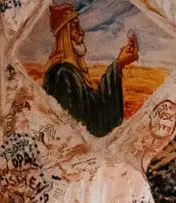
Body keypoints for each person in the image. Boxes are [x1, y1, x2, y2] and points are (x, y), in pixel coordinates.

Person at [43, 2, 138, 138]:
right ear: (65, 34)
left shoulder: (69, 72)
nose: (81, 31)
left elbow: (93, 109)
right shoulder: (62, 75)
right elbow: (88, 126)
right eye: (75, 26)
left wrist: (118, 64)